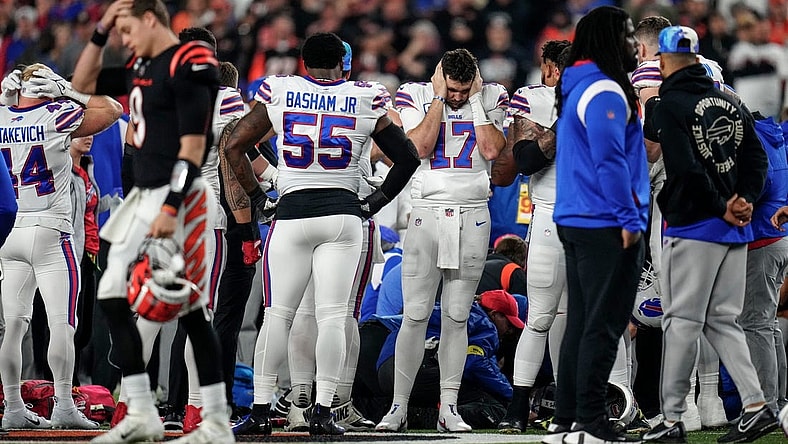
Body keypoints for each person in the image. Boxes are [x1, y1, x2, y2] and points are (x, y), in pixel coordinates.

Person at [221, 31, 420, 436]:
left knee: (278, 316)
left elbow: (234, 145)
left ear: (302, 61)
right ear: (343, 62)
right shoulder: (366, 96)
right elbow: (408, 157)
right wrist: (376, 201)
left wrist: (260, 198)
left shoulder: (281, 89)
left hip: (291, 215)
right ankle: (324, 411)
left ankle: (261, 410)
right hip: (343, 217)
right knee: (333, 316)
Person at [78, 1, 234, 443]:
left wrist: (170, 205)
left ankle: (215, 420)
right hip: (146, 195)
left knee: (191, 304)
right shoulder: (145, 62)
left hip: (180, 197)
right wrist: (100, 31)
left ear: (150, 20)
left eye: (127, 30)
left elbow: (193, 145)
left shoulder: (192, 60)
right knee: (114, 294)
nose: (123, 40)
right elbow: (81, 86)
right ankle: (142, 410)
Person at [641, 26, 776, 443]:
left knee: (680, 321)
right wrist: (744, 201)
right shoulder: (732, 101)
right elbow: (758, 160)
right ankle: (756, 405)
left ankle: (670, 419)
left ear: (663, 61)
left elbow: (683, 167)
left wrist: (720, 205)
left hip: (694, 226)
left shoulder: (667, 104)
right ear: (697, 57)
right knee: (721, 319)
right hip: (735, 228)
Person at [376, 48, 508, 433]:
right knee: (415, 315)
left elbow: (490, 150)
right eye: (451, 88)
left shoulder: (492, 95)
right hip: (427, 214)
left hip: (472, 213)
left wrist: (478, 103)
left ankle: (447, 407)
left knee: (457, 316)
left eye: (463, 89)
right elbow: (418, 148)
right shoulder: (416, 94)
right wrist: (436, 97)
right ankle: (398, 406)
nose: (457, 96)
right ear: (440, 79)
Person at [0, 63, 122, 430]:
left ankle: (13, 406)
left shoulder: (2, 114)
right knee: (62, 325)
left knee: (14, 326)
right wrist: (69, 89)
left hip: (10, 232)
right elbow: (113, 110)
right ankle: (65, 403)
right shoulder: (56, 113)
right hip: (52, 231)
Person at [549, 6, 649, 444]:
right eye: (628, 35)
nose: (636, 45)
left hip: (577, 216)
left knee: (582, 323)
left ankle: (566, 420)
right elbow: (610, 161)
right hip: (605, 219)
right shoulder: (606, 90)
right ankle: (591, 420)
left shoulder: (578, 85)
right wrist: (629, 218)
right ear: (610, 40)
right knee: (603, 325)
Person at [488, 39, 570, 434]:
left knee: (594, 320)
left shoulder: (609, 99)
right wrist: (563, 121)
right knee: (540, 317)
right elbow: (526, 160)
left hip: (595, 218)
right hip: (552, 216)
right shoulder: (533, 99)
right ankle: (518, 408)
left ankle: (603, 403)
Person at [376, 289, 523, 429]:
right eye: (509, 324)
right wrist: (516, 399)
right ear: (495, 314)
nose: (509, 331)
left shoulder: (445, 307)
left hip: (385, 372)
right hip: (419, 371)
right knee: (493, 405)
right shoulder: (485, 324)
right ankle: (428, 417)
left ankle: (398, 410)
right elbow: (476, 364)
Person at [742, 112, 788, 416]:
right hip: (776, 236)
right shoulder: (772, 134)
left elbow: (759, 182)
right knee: (767, 324)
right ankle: (778, 402)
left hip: (763, 238)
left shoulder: (753, 137)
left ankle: (766, 407)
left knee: (756, 324)